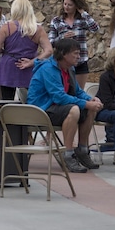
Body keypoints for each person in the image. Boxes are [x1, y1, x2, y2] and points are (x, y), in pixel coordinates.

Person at [26, 38, 103, 173]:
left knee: (90, 109)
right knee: (74, 110)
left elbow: (78, 91)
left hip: (56, 107)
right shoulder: (48, 69)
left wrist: (91, 99)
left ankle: (82, 150)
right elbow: (59, 97)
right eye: (75, 53)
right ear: (63, 54)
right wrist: (86, 104)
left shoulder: (69, 68)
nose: (79, 56)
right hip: (41, 110)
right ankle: (68, 154)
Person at [0, 0, 52, 101]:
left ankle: (8, 116)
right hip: (28, 65)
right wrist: (33, 62)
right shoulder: (37, 29)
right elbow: (49, 50)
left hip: (9, 65)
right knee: (29, 99)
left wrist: (3, 52)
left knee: (7, 99)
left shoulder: (7, 27)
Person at [47, 0, 101, 76]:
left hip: (80, 61)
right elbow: (50, 42)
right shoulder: (56, 21)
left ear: (76, 6)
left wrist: (83, 13)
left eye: (70, 5)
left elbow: (95, 29)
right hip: (63, 62)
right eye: (65, 4)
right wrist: (62, 38)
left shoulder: (82, 20)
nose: (66, 7)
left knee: (79, 89)